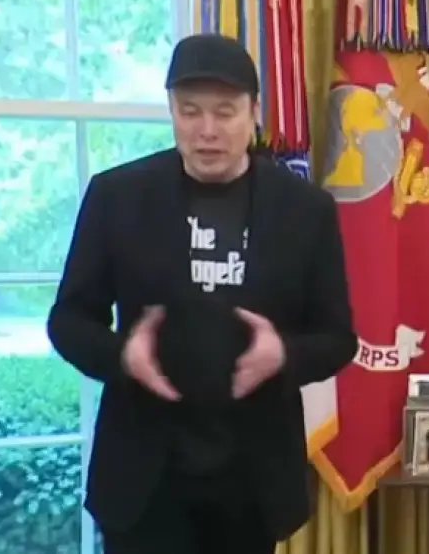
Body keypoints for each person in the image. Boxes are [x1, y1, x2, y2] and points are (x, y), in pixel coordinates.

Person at [46, 33, 357, 554]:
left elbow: (337, 338)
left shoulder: (305, 210)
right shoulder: (116, 196)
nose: (207, 130)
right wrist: (123, 355)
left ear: (254, 112)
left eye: (225, 112)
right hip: (143, 482)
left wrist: (282, 354)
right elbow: (68, 321)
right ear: (172, 111)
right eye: (190, 112)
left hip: (251, 484)